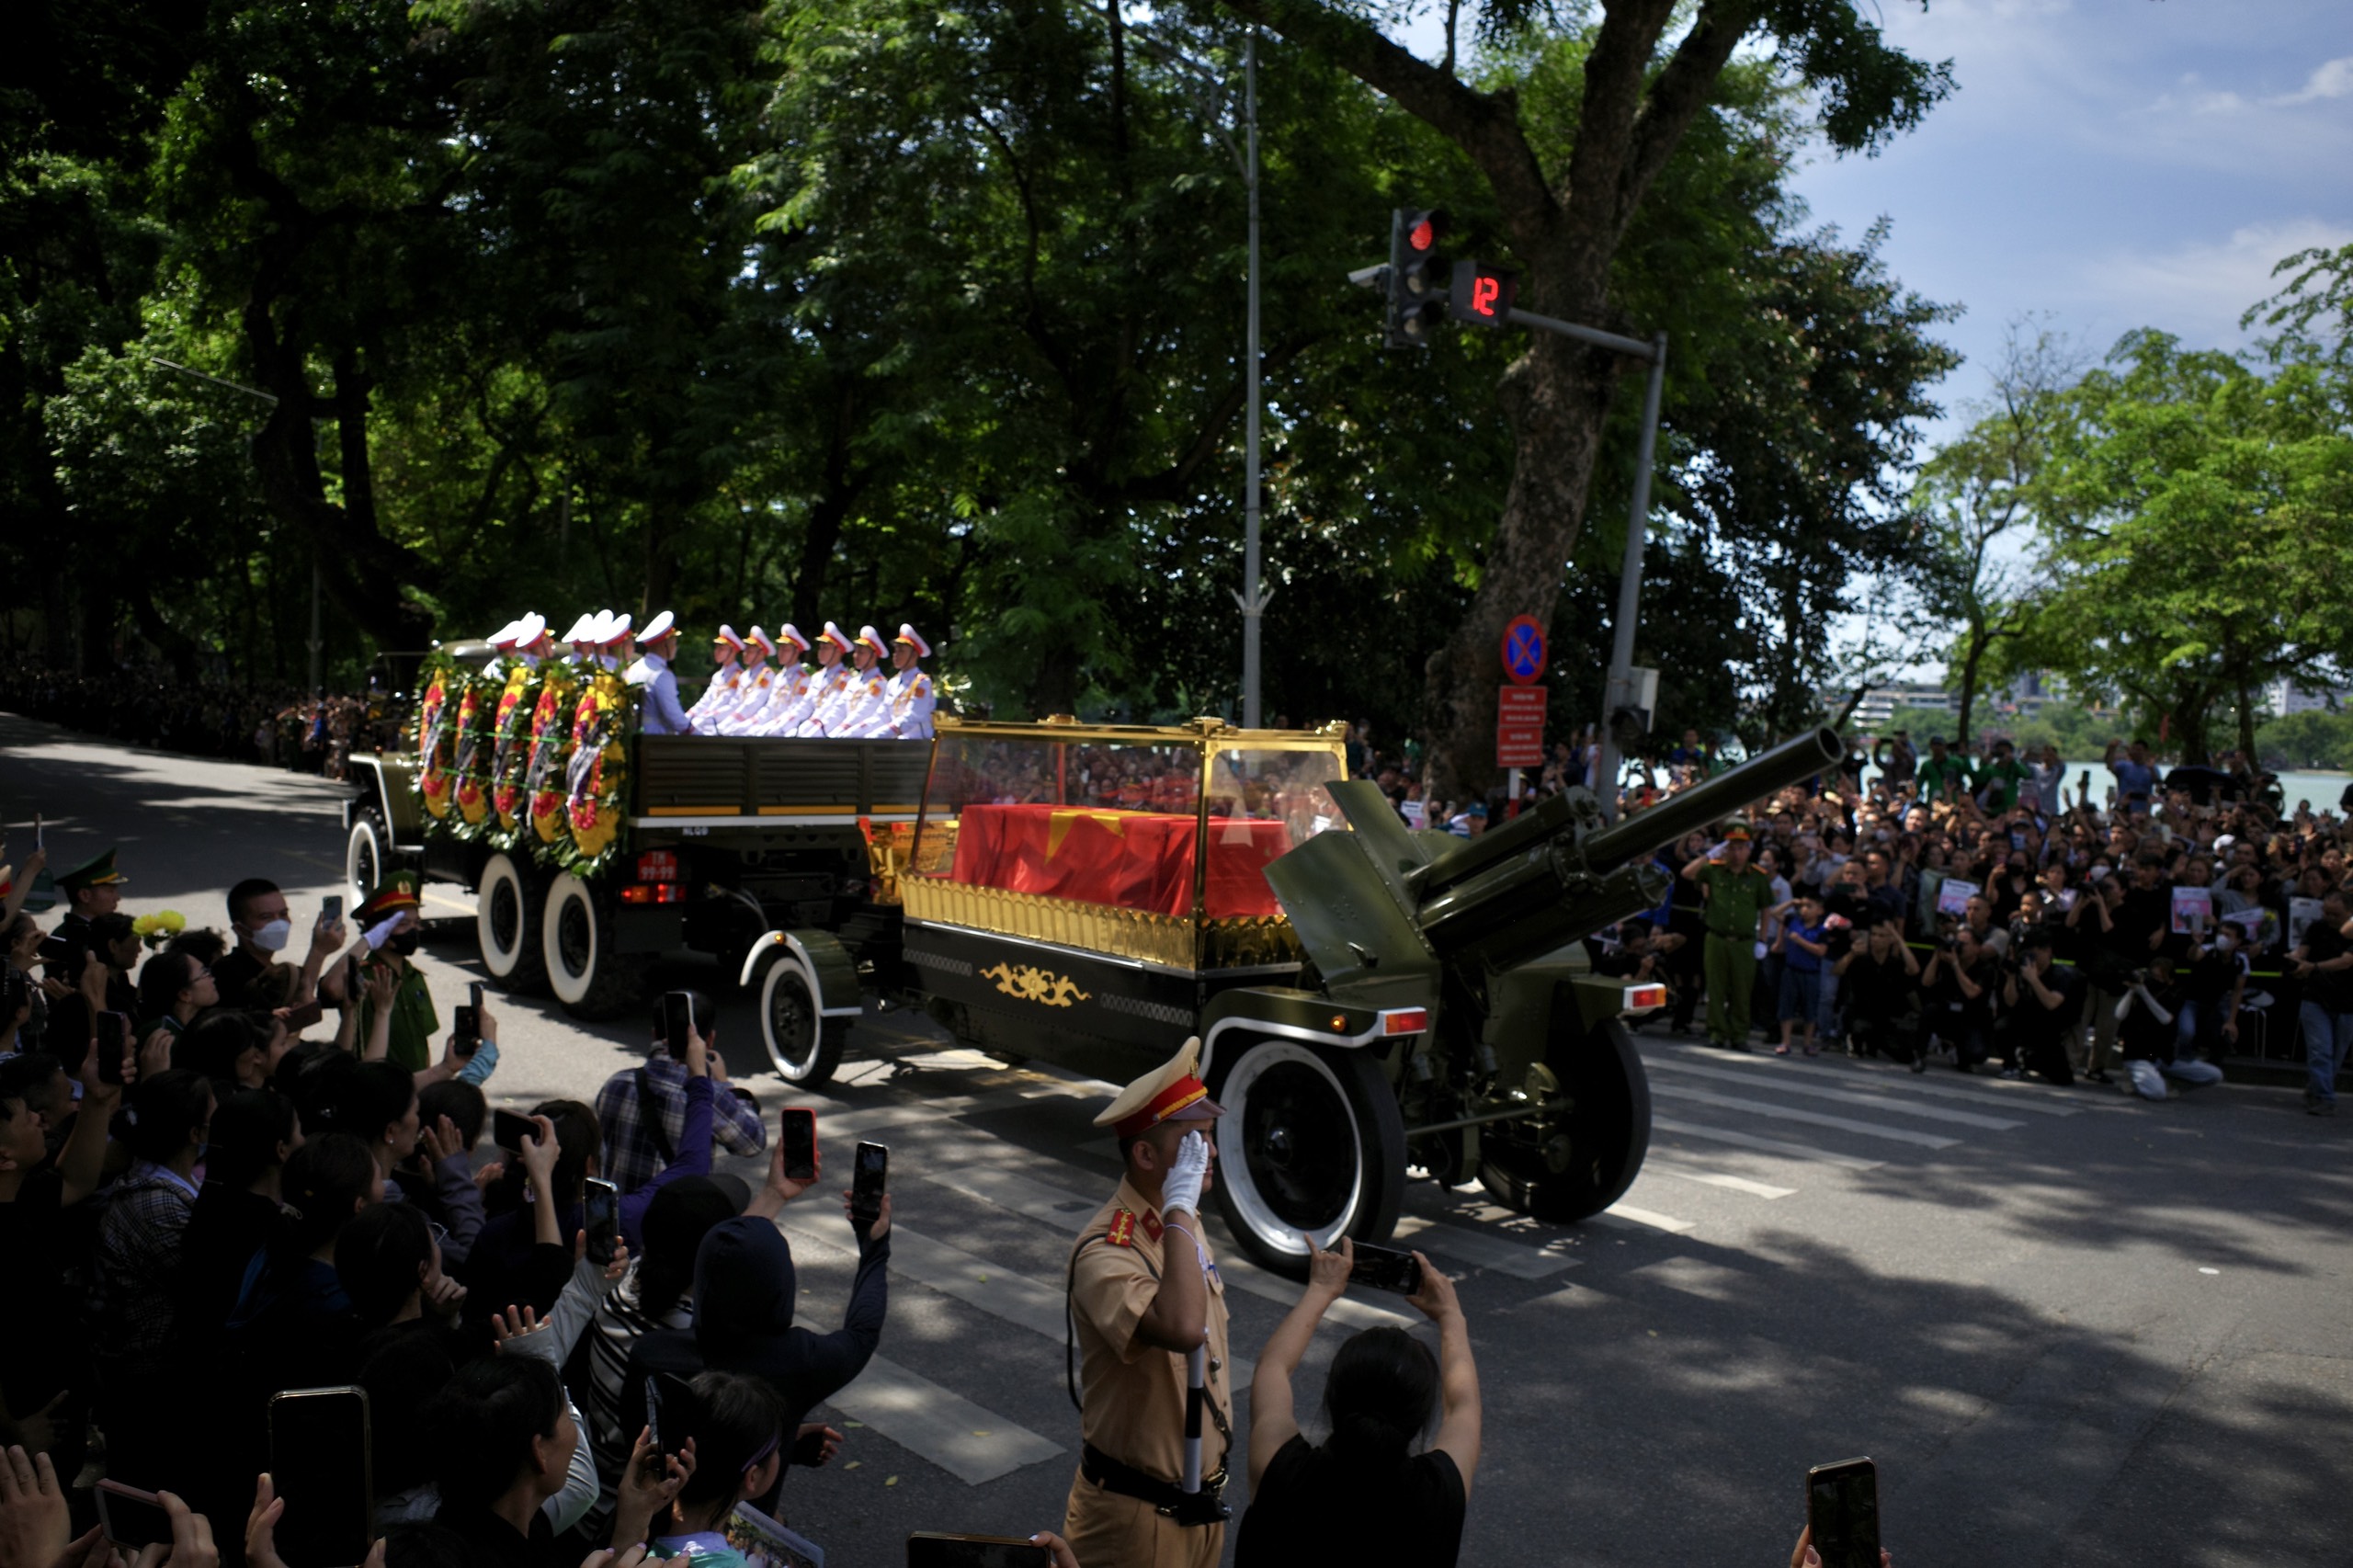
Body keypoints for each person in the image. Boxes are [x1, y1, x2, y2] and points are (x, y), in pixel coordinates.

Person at [1063, 1039, 1232, 1568]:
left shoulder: (1180, 1221)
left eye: (1210, 1139)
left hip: (1196, 1506)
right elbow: (1184, 1328)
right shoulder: (1106, 1250)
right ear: (1145, 1154)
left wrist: (1180, 1208)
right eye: (1195, 1143)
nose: (1212, 1155)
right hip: (1136, 1521)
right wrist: (1180, 1205)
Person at [1235, 1236, 1478, 1568]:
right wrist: (1451, 1316)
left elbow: (1272, 1367)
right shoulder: (1439, 1493)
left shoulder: (1282, 1468)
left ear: (1333, 1397)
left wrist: (1321, 1290)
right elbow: (1463, 1406)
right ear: (1419, 1416)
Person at [593, 990, 766, 1202]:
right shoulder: (711, 1096)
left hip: (622, 1220)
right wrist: (725, 1085)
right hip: (675, 1226)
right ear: (709, 1040)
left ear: (655, 1034)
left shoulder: (615, 1084)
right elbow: (753, 1142)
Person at [1683, 822, 1774, 1051]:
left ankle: (1739, 1035)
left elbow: (1765, 909)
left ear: (1749, 849)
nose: (1737, 853)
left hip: (1744, 941)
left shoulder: (1758, 877)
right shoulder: (1713, 869)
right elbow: (1687, 873)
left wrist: (1762, 939)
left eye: (1741, 848)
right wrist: (1709, 855)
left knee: (1742, 990)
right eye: (1732, 847)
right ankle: (1716, 1031)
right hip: (1717, 937)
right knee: (1716, 987)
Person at [213, 879, 347, 1012]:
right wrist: (318, 952)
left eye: (283, 914)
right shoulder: (230, 975)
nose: (279, 924)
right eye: (266, 917)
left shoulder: (266, 966)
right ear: (240, 929)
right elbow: (294, 1016)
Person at [350, 874, 438, 1074]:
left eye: (416, 923)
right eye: (402, 924)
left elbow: (422, 1044)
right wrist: (368, 940)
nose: (413, 930)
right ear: (378, 929)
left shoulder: (414, 977)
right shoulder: (364, 977)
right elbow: (331, 986)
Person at [2289, 888, 2353, 1116]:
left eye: (2335, 914)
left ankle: (2316, 1088)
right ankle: (2326, 1097)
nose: (2329, 918)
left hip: (2347, 1002)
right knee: (2320, 1050)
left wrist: (2314, 967)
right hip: (2315, 997)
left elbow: (2346, 962)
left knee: (2335, 1054)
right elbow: (2302, 951)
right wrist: (2295, 961)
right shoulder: (2316, 928)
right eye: (2326, 912)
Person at [1995, 931, 2083, 1085]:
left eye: (2034, 954)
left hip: (2050, 1027)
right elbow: (2010, 1002)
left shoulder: (2060, 974)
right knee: (2002, 1026)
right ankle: (2011, 1065)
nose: (2031, 959)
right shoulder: (2021, 970)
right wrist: (2011, 978)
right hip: (2025, 1019)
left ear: (2047, 951)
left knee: (2063, 1079)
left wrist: (2034, 979)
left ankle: (2030, 1060)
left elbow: (2052, 1003)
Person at [1836, 916, 1923, 1066]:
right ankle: (1855, 1040)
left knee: (1905, 1056)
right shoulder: (1861, 958)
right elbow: (1837, 970)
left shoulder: (1894, 963)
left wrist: (1896, 936)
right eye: (1874, 935)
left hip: (1884, 1018)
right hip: (1860, 1013)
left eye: (1881, 936)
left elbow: (1914, 969)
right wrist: (1851, 954)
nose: (1876, 939)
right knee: (1859, 1027)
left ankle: (1874, 1044)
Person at [1773, 892, 1829, 1057]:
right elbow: (1775, 913)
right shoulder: (1793, 921)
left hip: (1810, 973)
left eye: (1809, 906)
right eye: (1802, 906)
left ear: (1820, 910)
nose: (1804, 910)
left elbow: (1821, 951)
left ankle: (1808, 1043)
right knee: (1787, 1006)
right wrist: (1791, 903)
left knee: (1810, 1009)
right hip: (1791, 970)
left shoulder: (1821, 930)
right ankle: (1786, 1042)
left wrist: (1800, 941)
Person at [741, 626, 815, 737]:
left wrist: (773, 727)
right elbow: (770, 708)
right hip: (773, 726)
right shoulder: (779, 677)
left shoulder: (802, 679)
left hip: (787, 731)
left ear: (796, 652)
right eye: (780, 648)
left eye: (786, 649)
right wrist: (753, 723)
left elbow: (796, 711)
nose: (780, 652)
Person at [629, 612, 694, 736]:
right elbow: (674, 717)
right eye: (674, 643)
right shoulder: (661, 675)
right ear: (664, 646)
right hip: (657, 740)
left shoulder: (634, 668)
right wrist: (691, 728)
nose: (676, 647)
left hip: (637, 734)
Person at [685, 627, 746, 733]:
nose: (716, 652)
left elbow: (731, 706)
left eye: (721, 649)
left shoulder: (740, 677)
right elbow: (706, 700)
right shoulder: (718, 676)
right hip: (708, 721)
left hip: (722, 726)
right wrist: (689, 715)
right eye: (716, 648)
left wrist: (705, 717)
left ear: (733, 651)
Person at [881, 624, 937, 740]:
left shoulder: (922, 682)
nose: (896, 655)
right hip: (896, 738)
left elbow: (913, 717)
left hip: (917, 741)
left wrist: (882, 733)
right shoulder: (893, 682)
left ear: (914, 655)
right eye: (895, 650)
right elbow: (883, 714)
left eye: (901, 651)